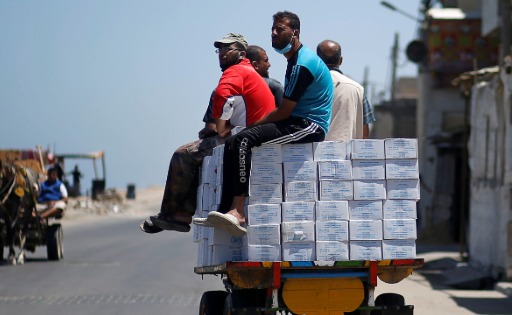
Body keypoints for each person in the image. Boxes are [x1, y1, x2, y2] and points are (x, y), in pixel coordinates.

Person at [194, 11, 334, 236]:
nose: (274, 33)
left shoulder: (303, 64)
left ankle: (239, 212)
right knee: (234, 141)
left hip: (309, 125)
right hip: (295, 120)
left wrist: (254, 125)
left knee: (244, 140)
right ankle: (224, 210)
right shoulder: (294, 60)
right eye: (273, 29)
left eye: (280, 29)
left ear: (295, 33)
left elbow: (285, 110)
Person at [140, 33, 276, 233]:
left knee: (183, 154)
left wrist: (220, 129)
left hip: (245, 137)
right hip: (253, 135)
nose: (221, 54)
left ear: (242, 54)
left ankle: (171, 214)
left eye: (227, 49)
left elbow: (221, 95)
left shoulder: (236, 71)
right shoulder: (250, 74)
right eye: (219, 50)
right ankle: (182, 214)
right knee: (200, 157)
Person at [317, 39, 376, 140]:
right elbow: (364, 132)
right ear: (340, 60)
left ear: (317, 61)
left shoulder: (307, 86)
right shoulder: (358, 89)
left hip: (314, 153)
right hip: (348, 153)